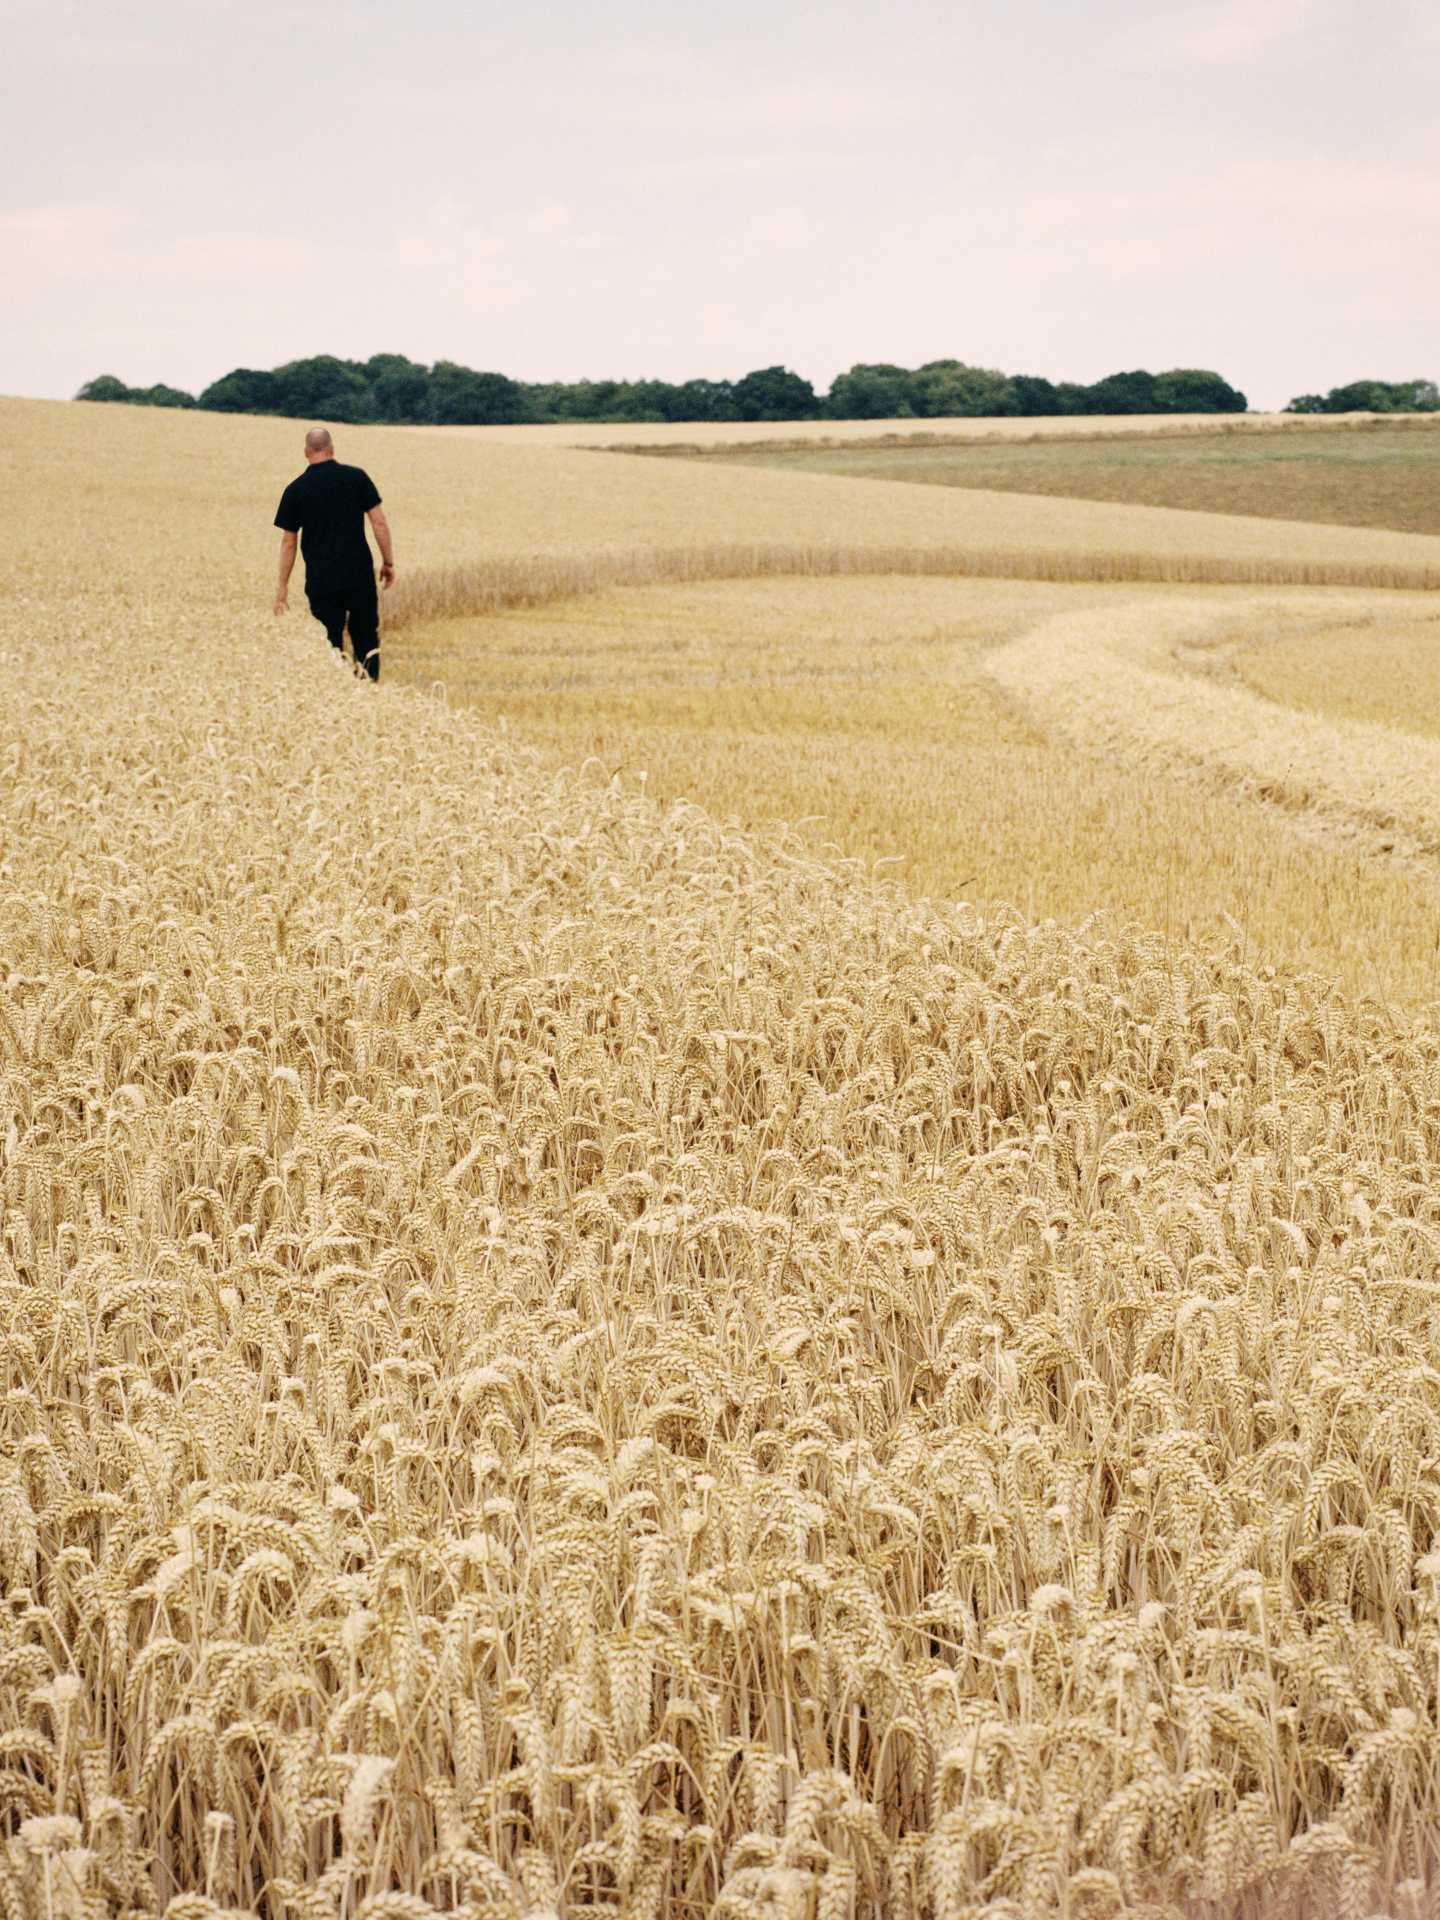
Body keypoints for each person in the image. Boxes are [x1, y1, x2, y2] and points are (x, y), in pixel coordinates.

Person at [273, 427, 394, 680]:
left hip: (321, 579)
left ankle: (335, 693)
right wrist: (388, 562)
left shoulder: (296, 489)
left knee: (329, 639)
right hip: (358, 574)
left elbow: (288, 542)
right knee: (365, 636)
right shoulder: (357, 478)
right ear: (332, 449)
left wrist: (282, 586)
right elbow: (379, 522)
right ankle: (369, 690)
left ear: (306, 452)